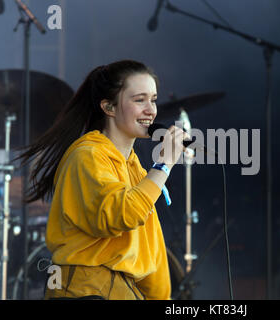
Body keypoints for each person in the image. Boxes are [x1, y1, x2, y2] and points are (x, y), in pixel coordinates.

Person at [16, 59, 189, 300]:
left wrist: (160, 297)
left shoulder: (133, 166)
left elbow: (150, 245)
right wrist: (164, 164)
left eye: (153, 99)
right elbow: (122, 214)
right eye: (139, 100)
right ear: (109, 107)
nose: (151, 110)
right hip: (88, 291)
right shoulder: (88, 155)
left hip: (122, 291)